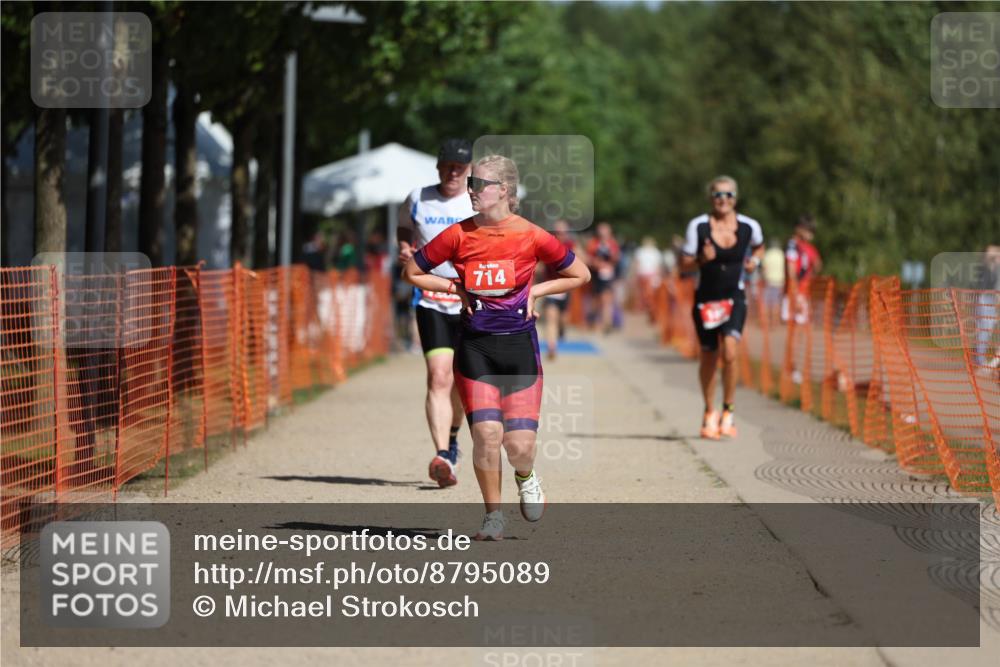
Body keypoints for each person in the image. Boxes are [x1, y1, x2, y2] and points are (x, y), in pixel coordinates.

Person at [403, 155, 590, 540]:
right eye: (470, 183)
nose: (471, 190)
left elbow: (579, 273)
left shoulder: (530, 234)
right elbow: (413, 271)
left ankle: (526, 475)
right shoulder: (458, 235)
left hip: (519, 347)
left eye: (479, 184)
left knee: (519, 446)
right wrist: (455, 288)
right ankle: (493, 517)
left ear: (504, 190)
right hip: (475, 348)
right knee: (487, 435)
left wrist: (536, 291)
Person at [397, 139, 475, 487]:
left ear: (469, 170)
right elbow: (404, 226)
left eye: (460, 167)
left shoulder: (476, 201)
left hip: (469, 301)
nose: (453, 172)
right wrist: (404, 247)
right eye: (448, 166)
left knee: (460, 379)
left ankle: (453, 438)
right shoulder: (418, 198)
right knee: (439, 377)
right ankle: (442, 454)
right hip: (430, 299)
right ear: (438, 166)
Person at [679, 175, 764, 440]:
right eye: (717, 194)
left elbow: (759, 248)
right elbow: (683, 264)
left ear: (735, 198)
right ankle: (709, 411)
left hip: (733, 297)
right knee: (709, 355)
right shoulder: (698, 226)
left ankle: (728, 410)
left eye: (728, 195)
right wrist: (701, 259)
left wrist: (755, 263)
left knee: (729, 350)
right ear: (710, 198)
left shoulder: (749, 226)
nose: (723, 199)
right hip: (705, 299)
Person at [539, 220, 577, 360]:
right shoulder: (547, 245)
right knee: (551, 318)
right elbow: (538, 264)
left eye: (563, 232)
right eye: (557, 232)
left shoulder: (571, 245)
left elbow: (582, 262)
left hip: (565, 288)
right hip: (551, 287)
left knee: (563, 320)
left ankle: (561, 331)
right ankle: (552, 348)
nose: (560, 235)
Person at [782, 214, 822, 327]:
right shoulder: (792, 245)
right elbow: (791, 271)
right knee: (791, 327)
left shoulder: (808, 247)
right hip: (793, 292)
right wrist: (795, 296)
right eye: (809, 231)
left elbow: (818, 264)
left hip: (803, 292)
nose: (811, 234)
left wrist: (809, 277)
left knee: (802, 327)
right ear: (799, 228)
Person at [586, 222, 621, 334]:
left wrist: (609, 264)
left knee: (606, 299)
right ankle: (593, 320)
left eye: (606, 231)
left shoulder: (612, 244)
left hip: (608, 276)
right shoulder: (593, 243)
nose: (604, 234)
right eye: (602, 231)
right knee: (596, 300)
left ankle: (607, 323)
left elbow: (616, 258)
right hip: (596, 275)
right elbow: (588, 258)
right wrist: (597, 264)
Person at [634, 236, 664, 317]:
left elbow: (658, 266)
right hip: (645, 274)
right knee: (646, 292)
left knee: (647, 292)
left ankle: (648, 306)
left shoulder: (650, 252)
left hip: (648, 274)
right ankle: (646, 306)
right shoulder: (647, 252)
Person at [761, 239, 785, 323]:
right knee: (776, 302)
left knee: (766, 302)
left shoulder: (767, 254)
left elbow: (764, 268)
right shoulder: (781, 254)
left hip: (768, 281)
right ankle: (775, 321)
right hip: (779, 281)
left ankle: (766, 322)